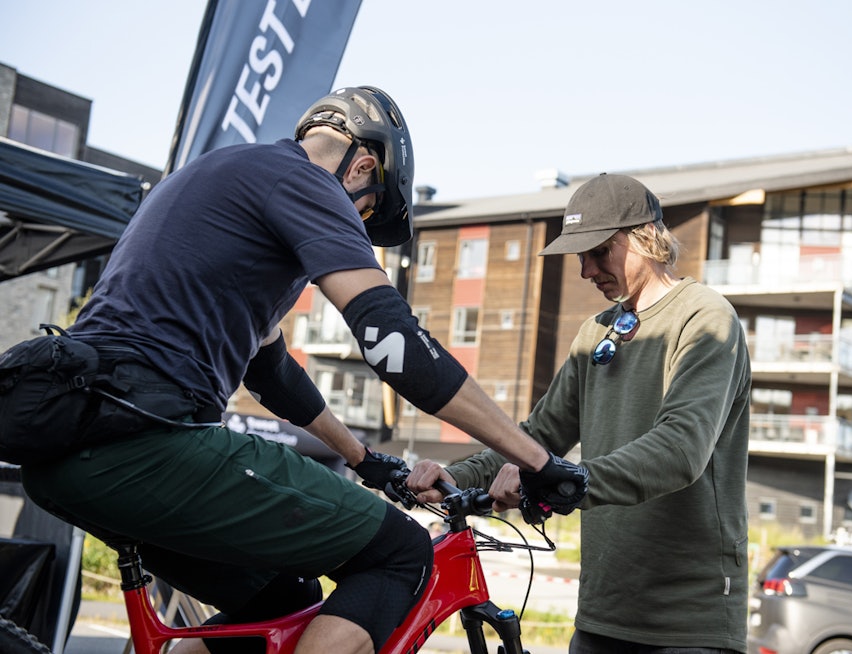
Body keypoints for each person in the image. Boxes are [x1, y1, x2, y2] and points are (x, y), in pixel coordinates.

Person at [14, 86, 587, 654]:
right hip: (146, 439)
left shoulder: (223, 174)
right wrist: (535, 459)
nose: (353, 227)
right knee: (400, 556)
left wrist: (369, 462)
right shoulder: (305, 182)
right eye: (363, 213)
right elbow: (393, 343)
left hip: (66, 449)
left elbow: (273, 373)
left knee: (284, 602)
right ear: (362, 164)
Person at [408, 173, 752, 654]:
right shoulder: (596, 331)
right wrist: (455, 474)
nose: (586, 271)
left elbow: (681, 449)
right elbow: (540, 436)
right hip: (601, 612)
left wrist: (567, 479)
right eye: (579, 256)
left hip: (687, 621)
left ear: (645, 238)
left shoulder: (704, 317)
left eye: (599, 252)